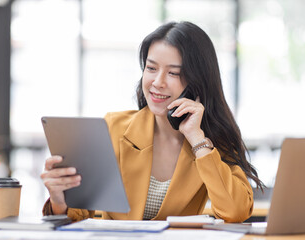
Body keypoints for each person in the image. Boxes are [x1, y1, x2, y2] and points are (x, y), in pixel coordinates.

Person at [41, 21, 263, 223]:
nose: (158, 82)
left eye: (173, 73)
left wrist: (196, 138)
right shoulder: (113, 127)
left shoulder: (211, 143)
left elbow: (236, 212)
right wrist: (59, 201)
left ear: (198, 82)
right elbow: (77, 215)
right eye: (151, 68)